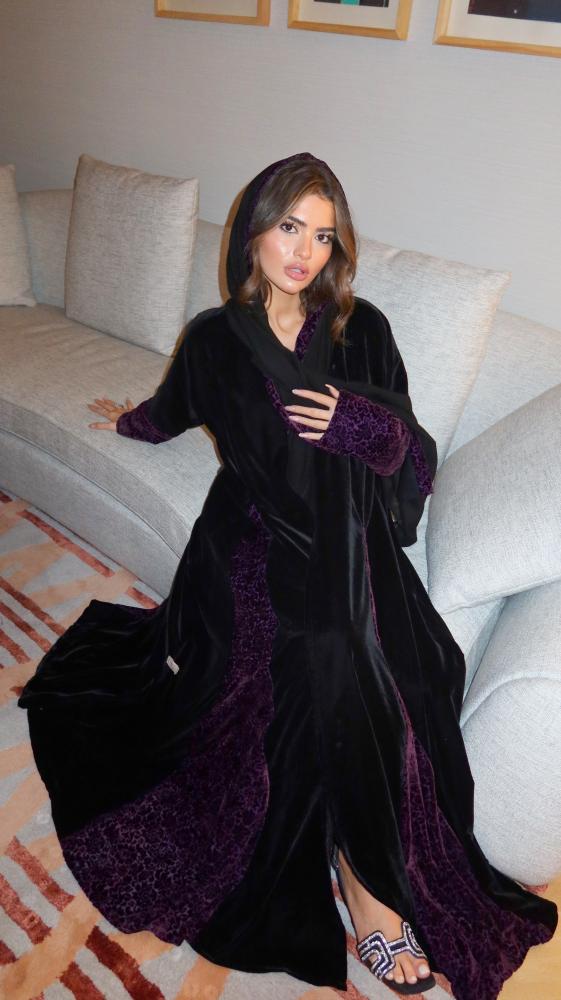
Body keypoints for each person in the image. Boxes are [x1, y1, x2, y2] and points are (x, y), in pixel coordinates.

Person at [18, 152, 557, 999]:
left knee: (389, 662)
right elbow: (166, 412)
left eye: (322, 235)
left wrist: (361, 428)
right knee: (324, 656)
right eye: (288, 227)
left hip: (352, 543)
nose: (304, 252)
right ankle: (368, 887)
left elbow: (411, 455)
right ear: (253, 233)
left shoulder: (362, 329)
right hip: (247, 542)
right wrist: (124, 421)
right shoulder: (214, 340)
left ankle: (362, 868)